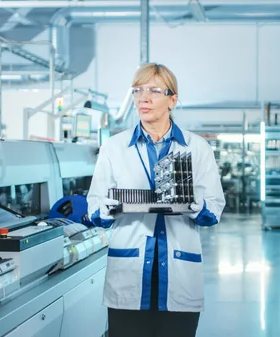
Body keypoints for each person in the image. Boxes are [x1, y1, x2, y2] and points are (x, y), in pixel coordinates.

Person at [87, 63, 226, 337]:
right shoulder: (114, 147)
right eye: (138, 90)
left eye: (154, 90)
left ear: (172, 99)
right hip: (129, 271)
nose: (143, 98)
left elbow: (215, 210)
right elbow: (94, 206)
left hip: (179, 274)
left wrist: (190, 202)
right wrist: (110, 207)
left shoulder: (197, 148)